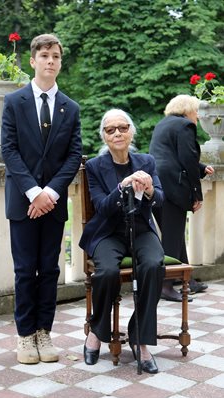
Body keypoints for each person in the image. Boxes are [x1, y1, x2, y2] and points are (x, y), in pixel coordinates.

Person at [1, 33, 82, 364]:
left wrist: (50, 192)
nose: (51, 61)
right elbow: (10, 150)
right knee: (24, 270)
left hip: (54, 203)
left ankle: (43, 332)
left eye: (57, 56)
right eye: (45, 55)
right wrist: (34, 192)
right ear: (32, 61)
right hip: (23, 204)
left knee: (49, 270)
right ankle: (24, 336)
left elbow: (73, 155)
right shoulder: (13, 102)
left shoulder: (71, 108)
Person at [79, 109, 165, 374]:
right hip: (107, 231)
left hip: (140, 229)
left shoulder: (146, 161)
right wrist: (122, 187)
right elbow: (102, 208)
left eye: (122, 127)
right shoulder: (94, 166)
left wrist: (149, 189)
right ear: (104, 137)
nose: (117, 133)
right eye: (110, 130)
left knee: (154, 263)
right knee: (106, 272)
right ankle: (97, 330)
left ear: (131, 132)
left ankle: (139, 338)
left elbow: (160, 199)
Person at [149, 94, 214, 302]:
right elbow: (187, 158)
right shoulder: (185, 126)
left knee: (174, 233)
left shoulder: (163, 124)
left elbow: (171, 156)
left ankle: (187, 279)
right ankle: (166, 285)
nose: (197, 116)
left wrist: (202, 168)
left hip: (157, 184)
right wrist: (197, 194)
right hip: (173, 187)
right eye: (196, 111)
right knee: (172, 236)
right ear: (187, 110)